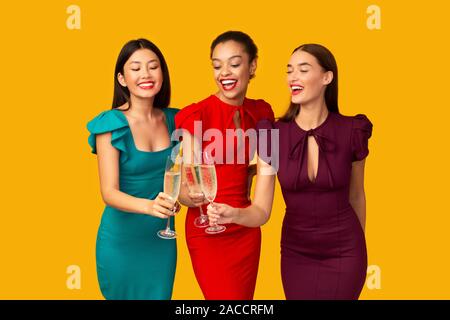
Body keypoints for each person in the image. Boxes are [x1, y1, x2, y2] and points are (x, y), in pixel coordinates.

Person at [209, 43, 373, 300]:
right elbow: (262, 211)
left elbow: (357, 197)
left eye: (303, 70)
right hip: (297, 252)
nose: (292, 78)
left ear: (327, 77)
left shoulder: (352, 131)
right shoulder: (272, 134)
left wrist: (358, 248)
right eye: (289, 71)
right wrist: (234, 214)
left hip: (345, 251)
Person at [175, 31, 275, 299]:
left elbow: (266, 179)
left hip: (246, 227)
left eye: (234, 63)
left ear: (252, 66)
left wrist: (252, 173)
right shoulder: (196, 115)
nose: (224, 73)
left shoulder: (263, 114)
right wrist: (191, 196)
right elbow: (186, 189)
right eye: (217, 65)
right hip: (207, 230)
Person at [87, 38, 179, 300]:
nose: (146, 74)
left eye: (153, 67)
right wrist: (150, 207)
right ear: (122, 78)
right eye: (135, 68)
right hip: (121, 242)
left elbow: (190, 172)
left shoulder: (177, 119)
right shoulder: (110, 123)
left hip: (161, 242)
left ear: (163, 73)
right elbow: (109, 192)